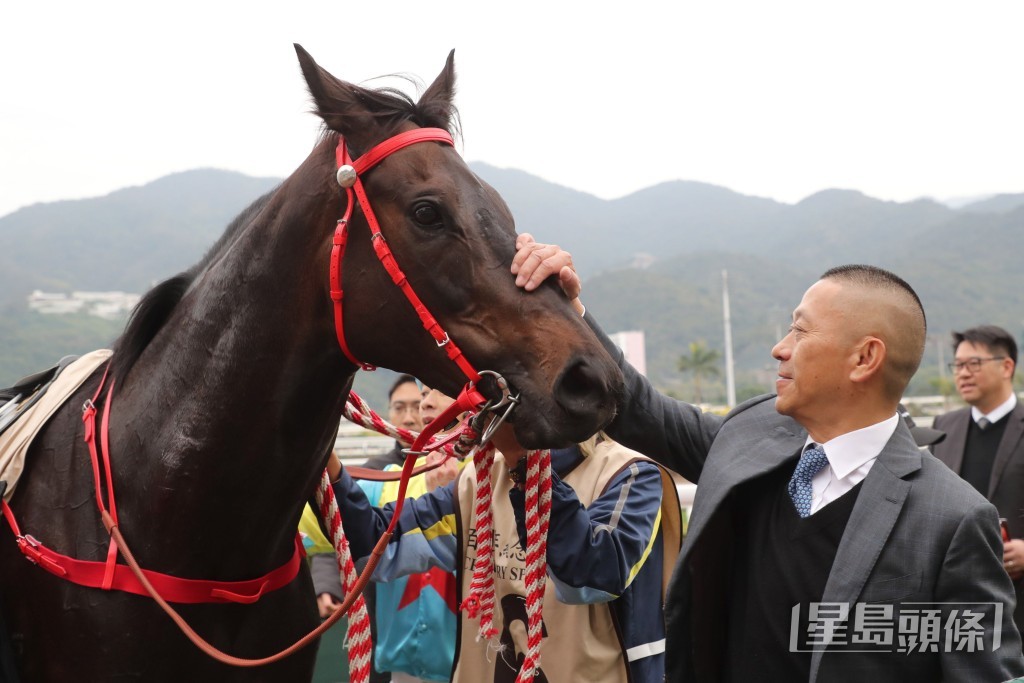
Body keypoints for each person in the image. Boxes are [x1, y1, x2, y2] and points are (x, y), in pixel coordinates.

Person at [511, 234, 1024, 682]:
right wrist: (567, 310)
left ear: (865, 358)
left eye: (800, 331)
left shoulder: (952, 520)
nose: (780, 348)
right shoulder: (749, 437)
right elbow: (640, 409)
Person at [327, 418, 681, 682]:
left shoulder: (631, 474)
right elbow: (374, 547)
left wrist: (523, 461)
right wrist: (324, 459)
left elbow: (591, 577)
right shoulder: (477, 481)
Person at [312, 381, 460, 683]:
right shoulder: (376, 478)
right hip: (396, 665)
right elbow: (326, 527)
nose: (420, 409)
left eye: (441, 390)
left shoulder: (497, 476)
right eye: (421, 397)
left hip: (476, 663)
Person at [930, 325, 1024, 645]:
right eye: (957, 365)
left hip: (1017, 595)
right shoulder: (944, 426)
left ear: (1006, 366)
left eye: (973, 364)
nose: (963, 374)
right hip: (958, 598)